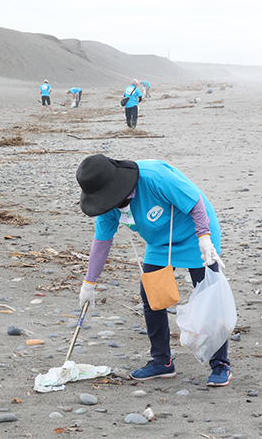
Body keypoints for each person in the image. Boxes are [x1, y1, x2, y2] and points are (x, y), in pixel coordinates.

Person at [75, 154, 233, 386]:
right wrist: (89, 283)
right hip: (160, 242)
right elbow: (102, 242)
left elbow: (195, 202)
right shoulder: (107, 204)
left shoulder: (154, 177)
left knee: (207, 293)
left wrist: (204, 237)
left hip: (196, 232)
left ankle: (220, 364)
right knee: (151, 295)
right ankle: (162, 361)